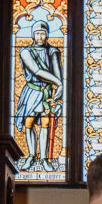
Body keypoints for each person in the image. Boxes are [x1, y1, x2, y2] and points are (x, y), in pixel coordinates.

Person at [14, 20, 63, 172]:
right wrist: (58, 83)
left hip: (46, 93)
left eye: (43, 33)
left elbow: (58, 73)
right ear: (33, 35)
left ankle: (44, 159)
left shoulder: (52, 51)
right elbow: (36, 71)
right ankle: (30, 156)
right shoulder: (25, 51)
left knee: (45, 124)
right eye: (37, 34)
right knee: (29, 123)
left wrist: (60, 92)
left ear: (47, 35)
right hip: (31, 91)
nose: (40, 37)